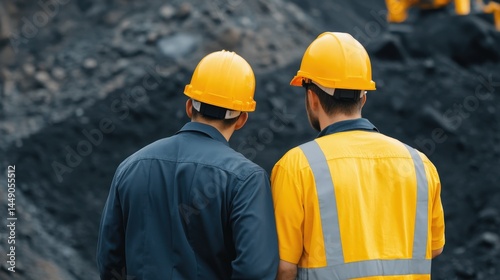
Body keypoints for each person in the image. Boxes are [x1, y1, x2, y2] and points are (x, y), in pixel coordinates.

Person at [271, 32, 445, 279]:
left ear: (312, 98)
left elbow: (285, 267)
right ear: (363, 97)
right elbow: (434, 246)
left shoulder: (297, 167)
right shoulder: (420, 164)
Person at [97, 50, 279, 280]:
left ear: (190, 107)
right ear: (242, 119)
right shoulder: (246, 179)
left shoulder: (131, 166)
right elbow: (255, 271)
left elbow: (109, 260)